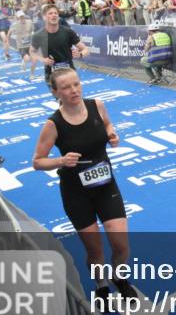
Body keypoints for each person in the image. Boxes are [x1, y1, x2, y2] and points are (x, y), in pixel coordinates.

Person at [32, 68, 135, 303]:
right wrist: (61, 160)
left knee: (120, 245)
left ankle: (119, 278)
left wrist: (112, 135)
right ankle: (101, 285)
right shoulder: (53, 124)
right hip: (76, 193)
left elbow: (108, 125)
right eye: (66, 87)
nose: (74, 90)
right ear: (56, 92)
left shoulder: (96, 105)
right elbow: (37, 161)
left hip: (106, 185)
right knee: (95, 251)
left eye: (76, 84)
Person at [30, 3, 88, 85]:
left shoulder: (68, 32)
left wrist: (80, 54)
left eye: (55, 13)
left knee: (74, 97)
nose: (54, 15)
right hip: (52, 75)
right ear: (44, 17)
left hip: (69, 73)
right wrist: (43, 60)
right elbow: (32, 52)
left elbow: (85, 49)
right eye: (50, 13)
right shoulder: (38, 35)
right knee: (61, 97)